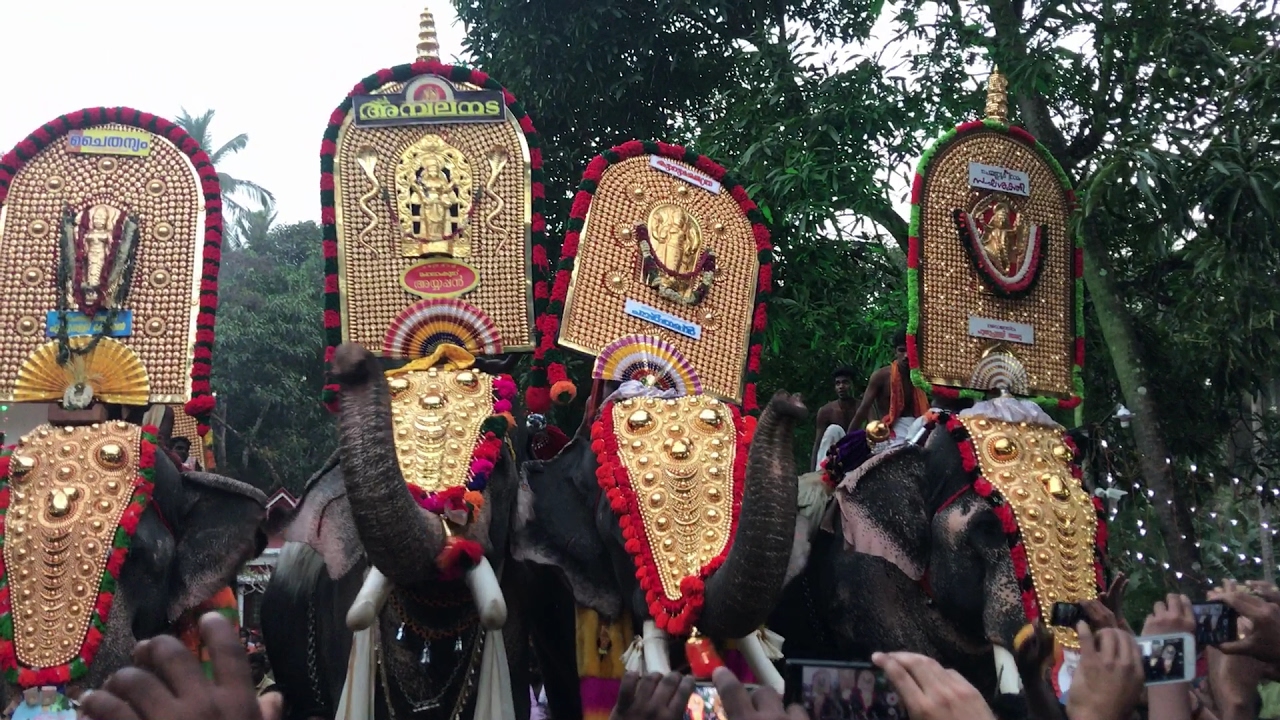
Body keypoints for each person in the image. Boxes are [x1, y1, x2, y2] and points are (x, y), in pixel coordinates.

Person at [847, 331, 930, 442]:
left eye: (910, 350)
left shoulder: (922, 377)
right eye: (901, 350)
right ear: (894, 351)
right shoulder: (881, 376)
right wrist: (845, 441)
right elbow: (863, 409)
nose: (906, 356)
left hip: (919, 430)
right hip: (889, 432)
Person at [811, 367, 860, 471]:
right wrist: (812, 471)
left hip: (857, 451)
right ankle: (820, 472)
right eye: (838, 383)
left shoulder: (863, 406)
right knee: (834, 429)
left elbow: (875, 430)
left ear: (853, 385)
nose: (841, 386)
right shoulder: (826, 410)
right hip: (835, 455)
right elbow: (819, 443)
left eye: (845, 382)